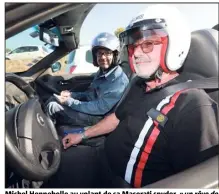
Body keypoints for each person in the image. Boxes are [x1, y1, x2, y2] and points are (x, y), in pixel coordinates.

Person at [62, 5, 219, 188]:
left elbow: (200, 181)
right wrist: (81, 135)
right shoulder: (138, 85)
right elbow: (116, 118)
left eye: (148, 44)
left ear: (174, 44)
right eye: (133, 46)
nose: (136, 53)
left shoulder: (193, 105)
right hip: (101, 158)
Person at [46, 32, 129, 127]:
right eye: (99, 54)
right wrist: (72, 95)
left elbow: (100, 108)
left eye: (107, 53)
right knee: (53, 99)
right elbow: (90, 94)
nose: (102, 57)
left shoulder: (118, 81)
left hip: (99, 118)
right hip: (91, 109)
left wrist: (69, 102)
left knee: (53, 106)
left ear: (115, 55)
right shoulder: (102, 72)